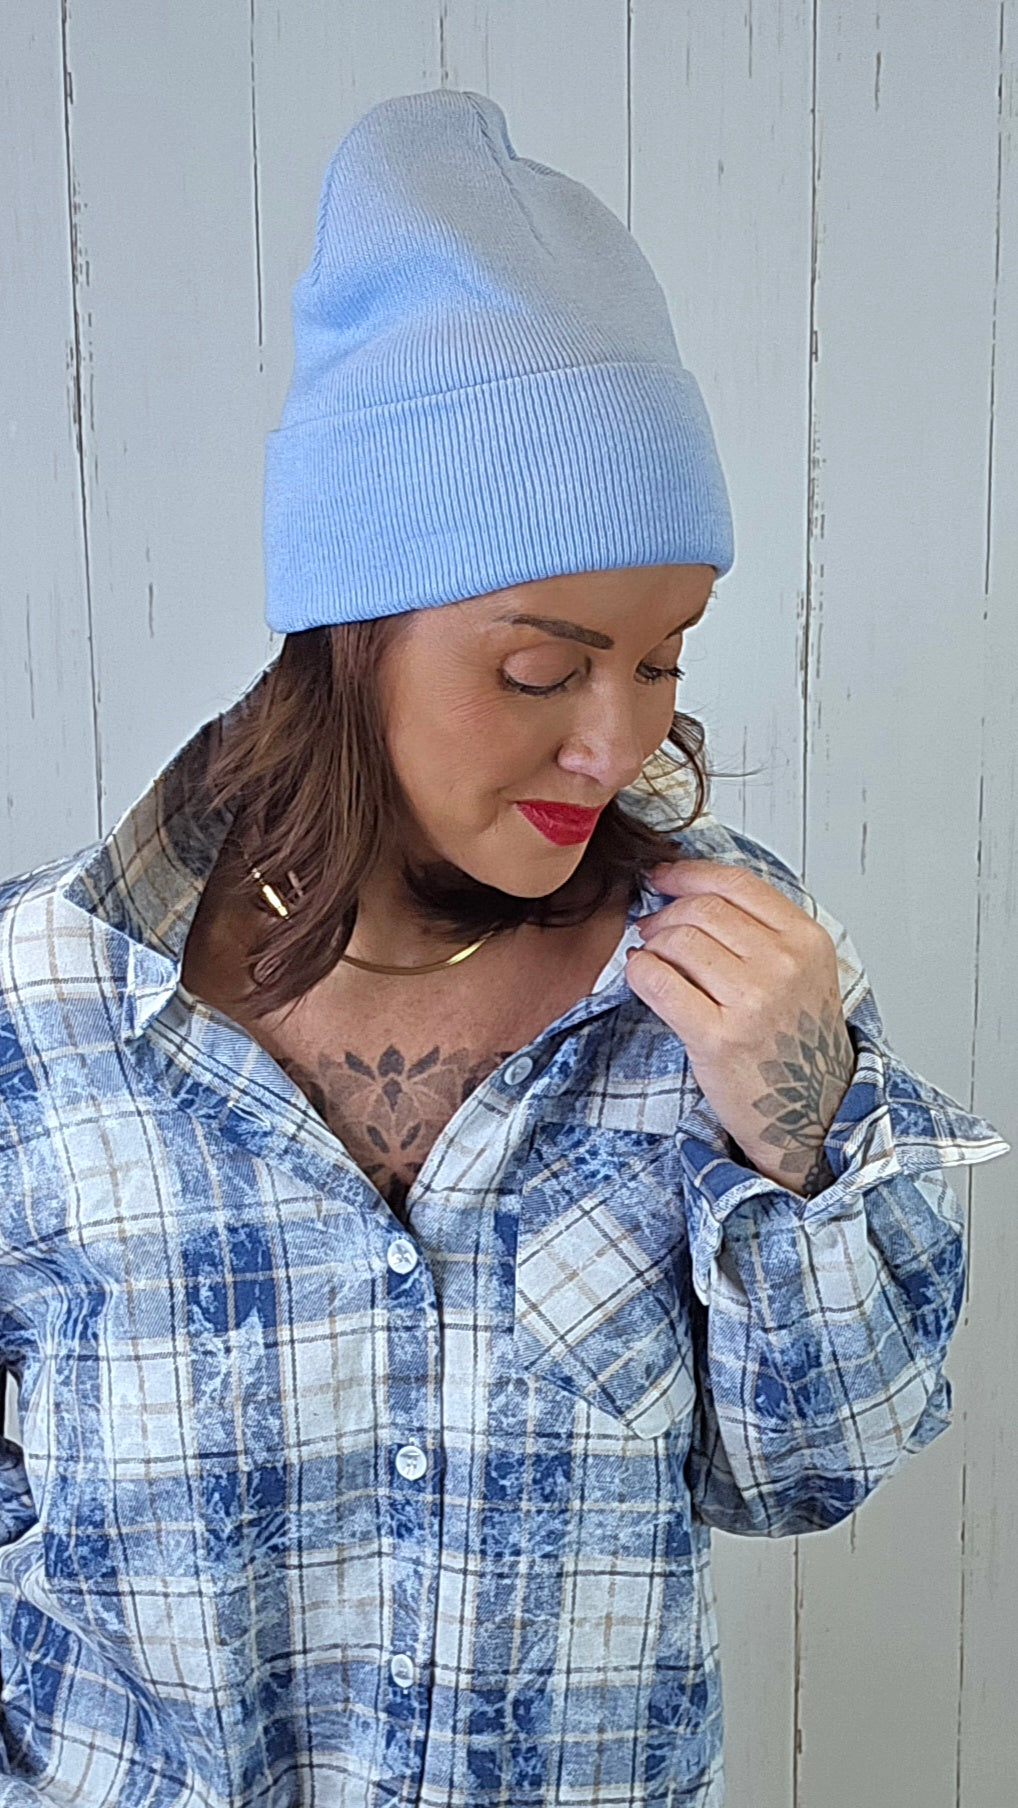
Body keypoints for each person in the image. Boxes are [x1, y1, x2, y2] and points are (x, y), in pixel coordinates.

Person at [0, 87, 1008, 1808]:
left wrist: (802, 1124)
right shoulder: (50, 1007)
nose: (616, 743)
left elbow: (803, 1474)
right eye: (541, 668)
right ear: (354, 624)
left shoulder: (722, 978)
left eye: (663, 657)